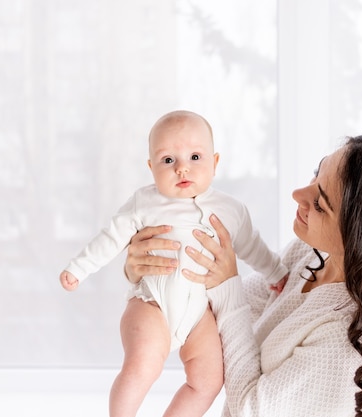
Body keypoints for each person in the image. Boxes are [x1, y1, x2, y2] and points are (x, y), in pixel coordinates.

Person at [124, 134, 362, 417]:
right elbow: (227, 313)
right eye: (315, 176)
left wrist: (225, 284)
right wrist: (154, 272)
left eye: (320, 203)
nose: (298, 195)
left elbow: (249, 407)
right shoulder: (314, 254)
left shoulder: (347, 347)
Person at [59, 110, 288, 417]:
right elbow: (111, 237)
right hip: (152, 303)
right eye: (168, 160)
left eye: (195, 157)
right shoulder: (145, 202)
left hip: (199, 314)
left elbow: (252, 246)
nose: (182, 168)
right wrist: (78, 268)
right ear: (151, 167)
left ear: (215, 163)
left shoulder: (231, 209)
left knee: (208, 381)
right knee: (143, 366)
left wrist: (275, 272)